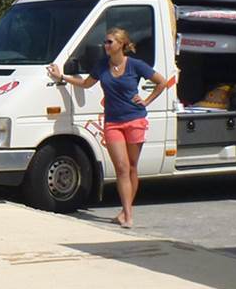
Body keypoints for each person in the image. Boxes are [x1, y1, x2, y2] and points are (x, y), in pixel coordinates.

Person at [46, 27, 169, 228]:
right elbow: (86, 84)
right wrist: (62, 77)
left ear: (121, 44)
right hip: (113, 122)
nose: (106, 45)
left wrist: (146, 101)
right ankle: (127, 214)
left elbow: (162, 82)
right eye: (105, 42)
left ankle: (125, 212)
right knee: (121, 167)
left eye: (110, 42)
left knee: (131, 167)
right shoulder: (102, 65)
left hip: (135, 120)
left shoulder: (135, 65)